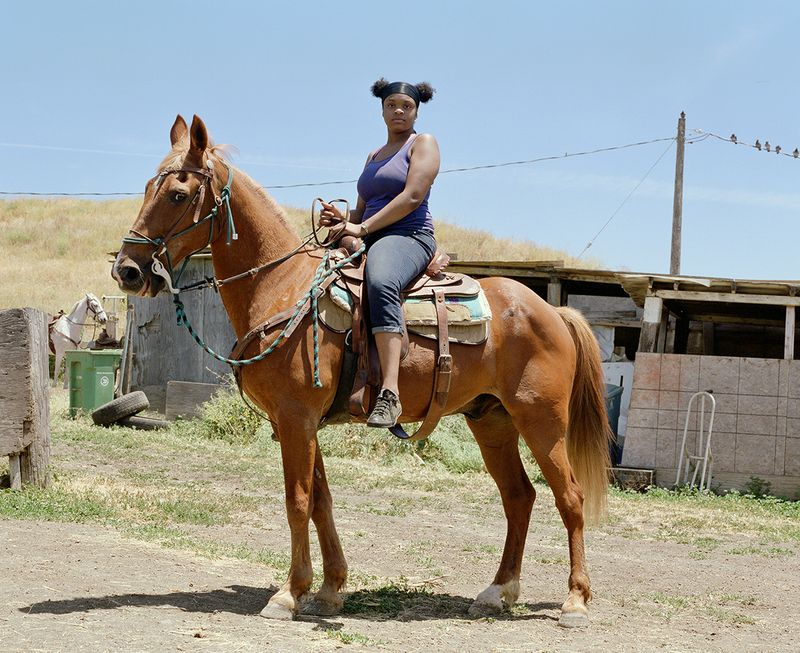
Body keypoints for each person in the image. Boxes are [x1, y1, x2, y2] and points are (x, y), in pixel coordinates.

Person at [319, 78, 440, 430]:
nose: (398, 111)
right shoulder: (373, 155)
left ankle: (390, 392)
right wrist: (343, 221)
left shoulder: (424, 144)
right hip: (371, 233)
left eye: (406, 105)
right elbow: (362, 210)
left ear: (416, 110)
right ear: (382, 110)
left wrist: (363, 229)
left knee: (382, 279)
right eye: (391, 105)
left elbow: (412, 196)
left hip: (409, 235)